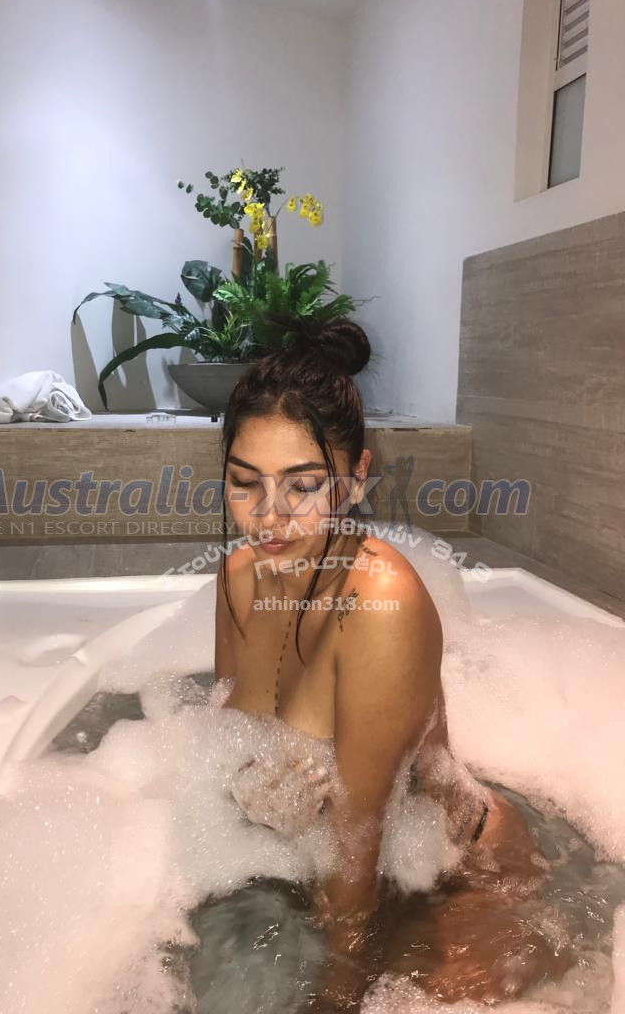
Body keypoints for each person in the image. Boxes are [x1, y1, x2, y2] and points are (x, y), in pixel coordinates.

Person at [211, 320, 571, 1011]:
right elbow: (225, 729)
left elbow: (358, 848)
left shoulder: (382, 607)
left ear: (355, 480)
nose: (267, 516)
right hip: (342, 857)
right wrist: (248, 787)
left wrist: (338, 996)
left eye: (303, 485)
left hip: (458, 872)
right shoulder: (237, 577)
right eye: (243, 482)